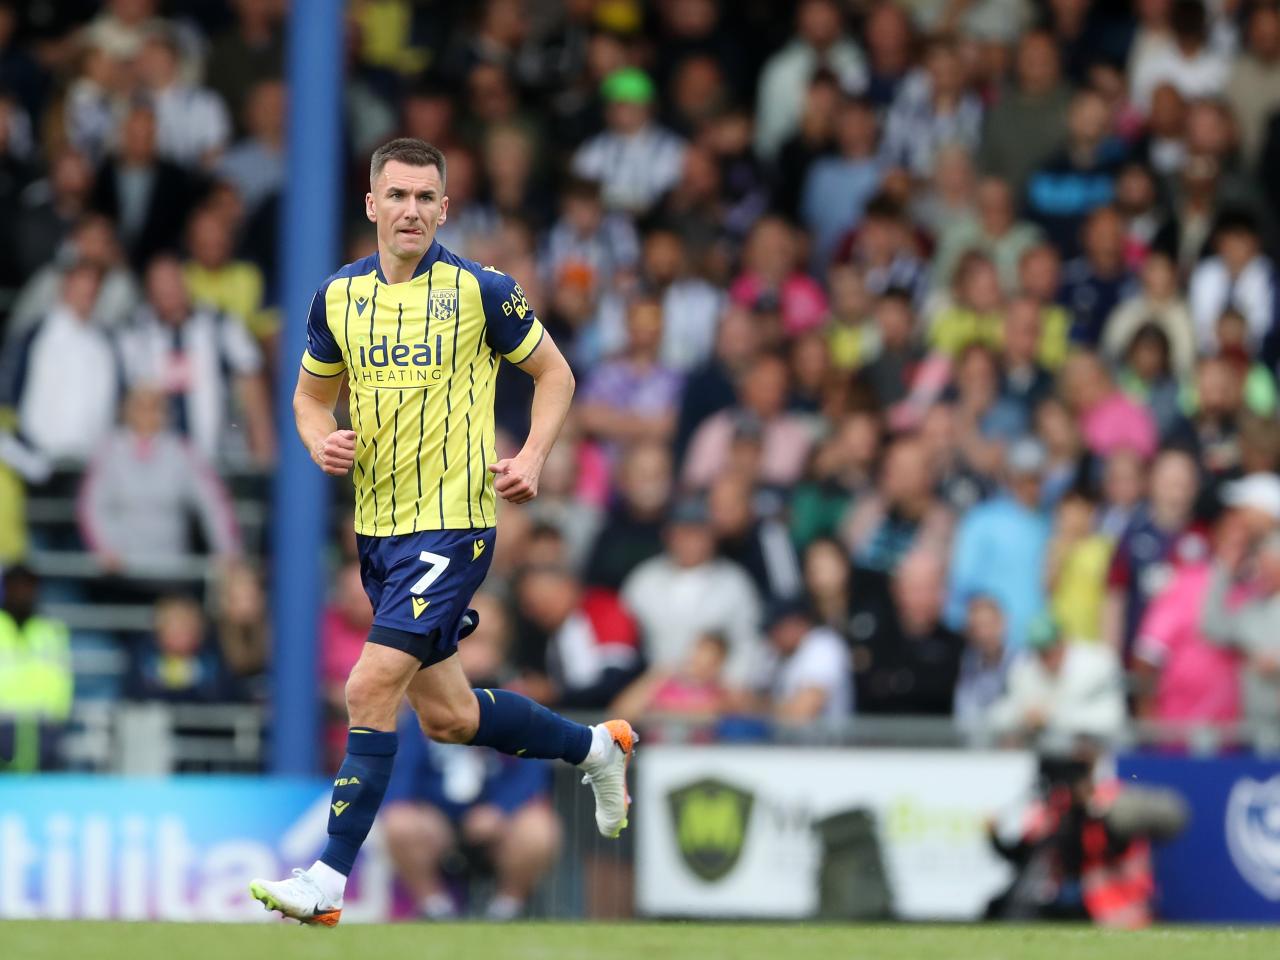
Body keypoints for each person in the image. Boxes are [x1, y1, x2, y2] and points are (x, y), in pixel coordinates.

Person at [250, 139, 637, 925]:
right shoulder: (339, 299)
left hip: (454, 525)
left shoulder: (481, 291)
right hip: (379, 534)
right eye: (397, 195)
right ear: (371, 205)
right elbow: (308, 399)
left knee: (365, 687)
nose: (412, 210)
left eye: (427, 197)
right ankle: (598, 749)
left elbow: (555, 374)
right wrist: (318, 437)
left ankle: (329, 879)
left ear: (445, 208)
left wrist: (531, 452)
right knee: (450, 718)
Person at [381, 594, 561, 921]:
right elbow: (404, 768)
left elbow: (533, 772)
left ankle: (506, 910)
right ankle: (436, 908)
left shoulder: (519, 698)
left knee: (540, 829)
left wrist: (500, 810)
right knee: (398, 821)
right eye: (471, 640)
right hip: (437, 816)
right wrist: (413, 808)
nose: (478, 650)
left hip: (498, 818)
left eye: (487, 641)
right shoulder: (424, 692)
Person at [987, 615, 1127, 749]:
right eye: (1041, 651)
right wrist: (1022, 715)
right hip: (1043, 757)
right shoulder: (1025, 669)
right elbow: (1000, 714)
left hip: (1098, 755)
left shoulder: (1098, 662)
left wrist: (1052, 717)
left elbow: (1111, 717)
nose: (1047, 657)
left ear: (1063, 641)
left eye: (1051, 648)